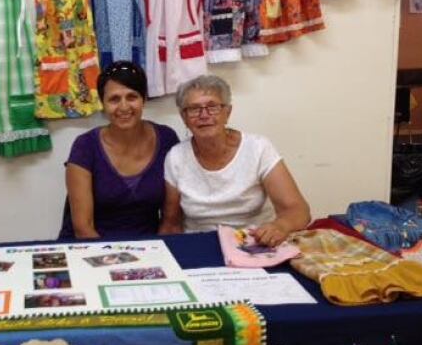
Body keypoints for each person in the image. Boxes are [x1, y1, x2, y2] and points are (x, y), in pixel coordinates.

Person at [159, 74, 310, 246]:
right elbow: (171, 223)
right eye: (194, 109)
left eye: (212, 106)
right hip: (198, 245)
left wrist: (280, 226)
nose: (204, 115)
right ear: (184, 117)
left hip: (256, 243)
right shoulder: (176, 157)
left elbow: (298, 210)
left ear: (227, 112)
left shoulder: (258, 148)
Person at [59, 61, 180, 239]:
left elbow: (171, 220)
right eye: (114, 99)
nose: (124, 107)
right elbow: (83, 228)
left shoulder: (167, 139)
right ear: (102, 103)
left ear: (144, 99)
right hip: (90, 250)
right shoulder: (85, 146)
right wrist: (113, 261)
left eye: (132, 97)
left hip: (150, 248)